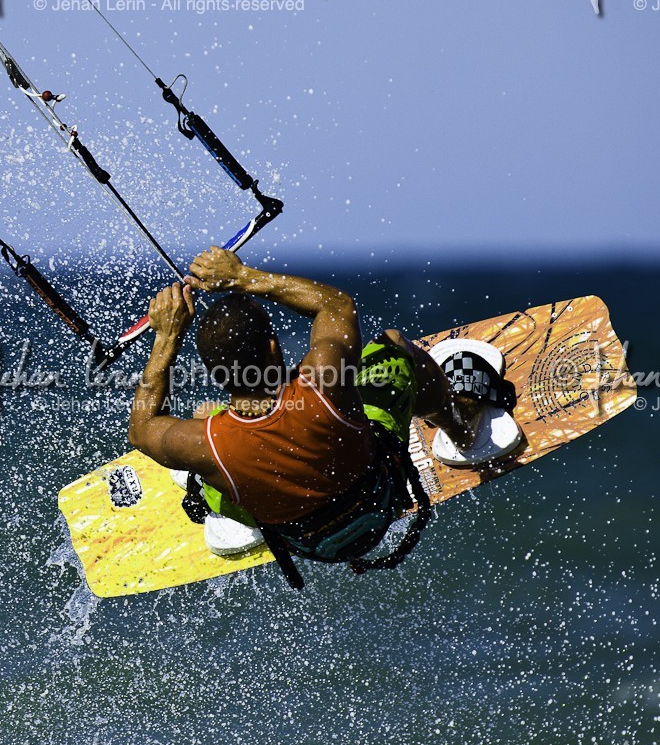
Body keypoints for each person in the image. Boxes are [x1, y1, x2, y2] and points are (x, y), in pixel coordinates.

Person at [126, 246, 511, 579]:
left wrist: (166, 337)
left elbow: (141, 429)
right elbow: (336, 305)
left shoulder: (204, 443)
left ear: (214, 372)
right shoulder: (324, 384)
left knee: (203, 453)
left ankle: (234, 518)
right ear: (274, 349)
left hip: (304, 542)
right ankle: (462, 430)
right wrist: (242, 276)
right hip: (379, 501)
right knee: (393, 346)